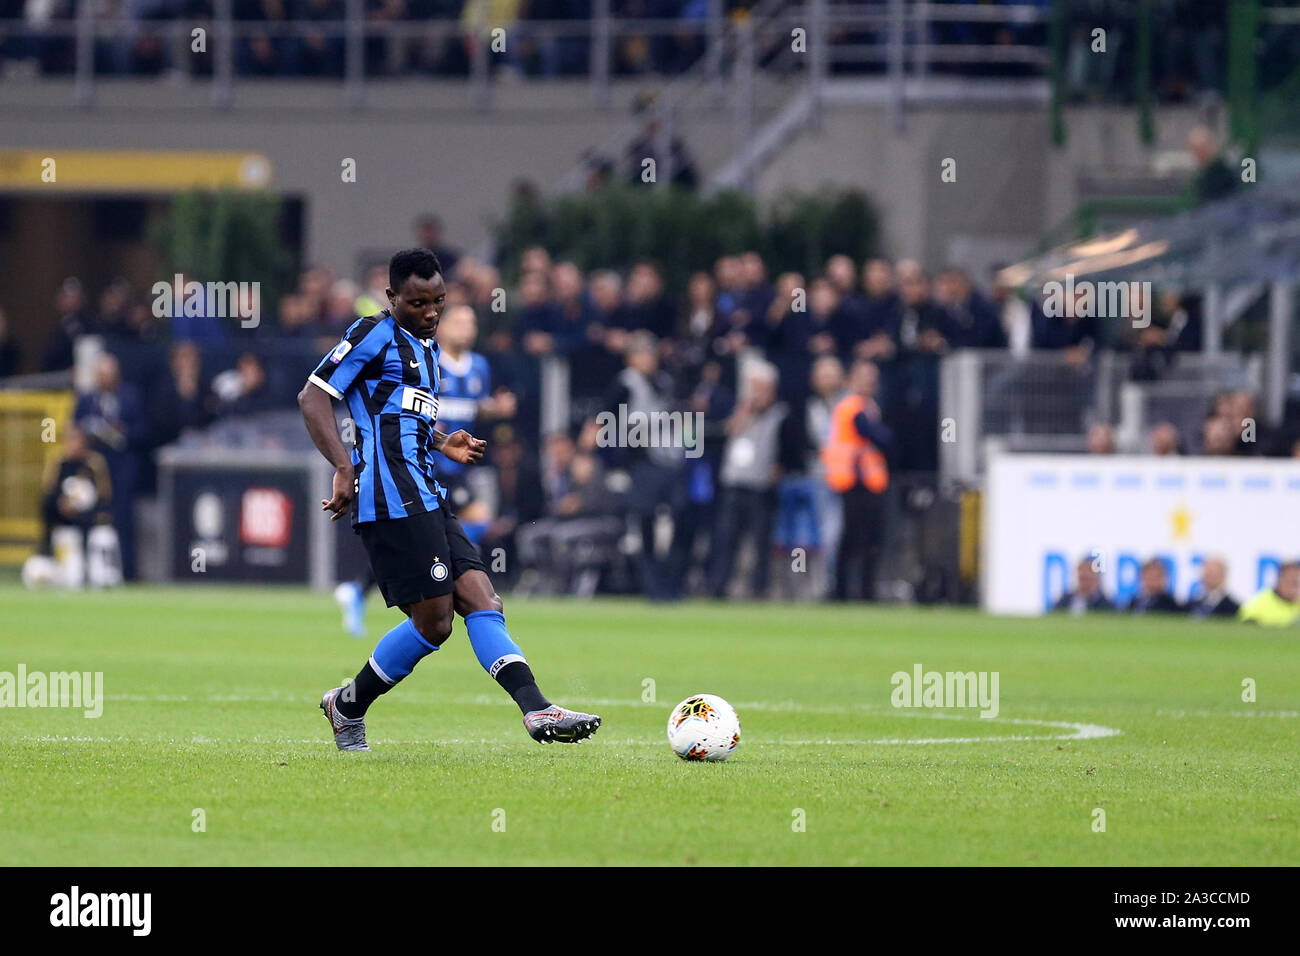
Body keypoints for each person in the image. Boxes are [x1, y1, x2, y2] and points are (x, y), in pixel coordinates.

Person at [298, 247, 600, 752]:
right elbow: (314, 397)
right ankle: (347, 706)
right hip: (390, 497)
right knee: (434, 623)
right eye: (418, 303)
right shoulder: (371, 333)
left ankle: (537, 709)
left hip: (428, 492)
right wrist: (345, 468)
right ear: (392, 297)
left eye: (438, 301)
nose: (431, 312)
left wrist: (441, 441)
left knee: (483, 599)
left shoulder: (429, 347)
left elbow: (404, 413)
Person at [822, 359, 891, 601]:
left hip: (867, 482)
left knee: (863, 540)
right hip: (853, 482)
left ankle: (856, 591)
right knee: (854, 540)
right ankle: (848, 592)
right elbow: (880, 437)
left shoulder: (866, 406)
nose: (870, 382)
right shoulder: (853, 407)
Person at [1238, 562, 1300, 627]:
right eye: (1290, 581)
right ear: (1279, 580)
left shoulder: (1298, 604)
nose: (1293, 587)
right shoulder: (1258, 604)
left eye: (1296, 582)